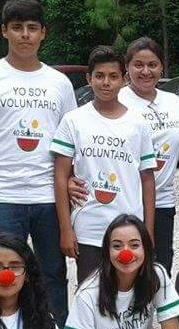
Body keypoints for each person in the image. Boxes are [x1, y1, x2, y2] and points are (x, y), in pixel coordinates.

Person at [0, 0, 77, 325]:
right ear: (4, 32)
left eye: (31, 28)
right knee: (4, 275)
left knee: (53, 274)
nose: (24, 35)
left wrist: (65, 182)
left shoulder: (59, 83)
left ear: (43, 33)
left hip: (48, 198)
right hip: (2, 198)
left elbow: (70, 141)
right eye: (17, 28)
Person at [52, 47, 156, 283]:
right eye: (99, 76)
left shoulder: (138, 124)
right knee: (90, 295)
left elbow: (147, 179)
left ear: (123, 79)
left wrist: (148, 231)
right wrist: (66, 229)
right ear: (89, 78)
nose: (106, 83)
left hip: (129, 227)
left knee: (129, 295)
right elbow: (60, 176)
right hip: (89, 228)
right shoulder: (73, 120)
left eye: (113, 76)